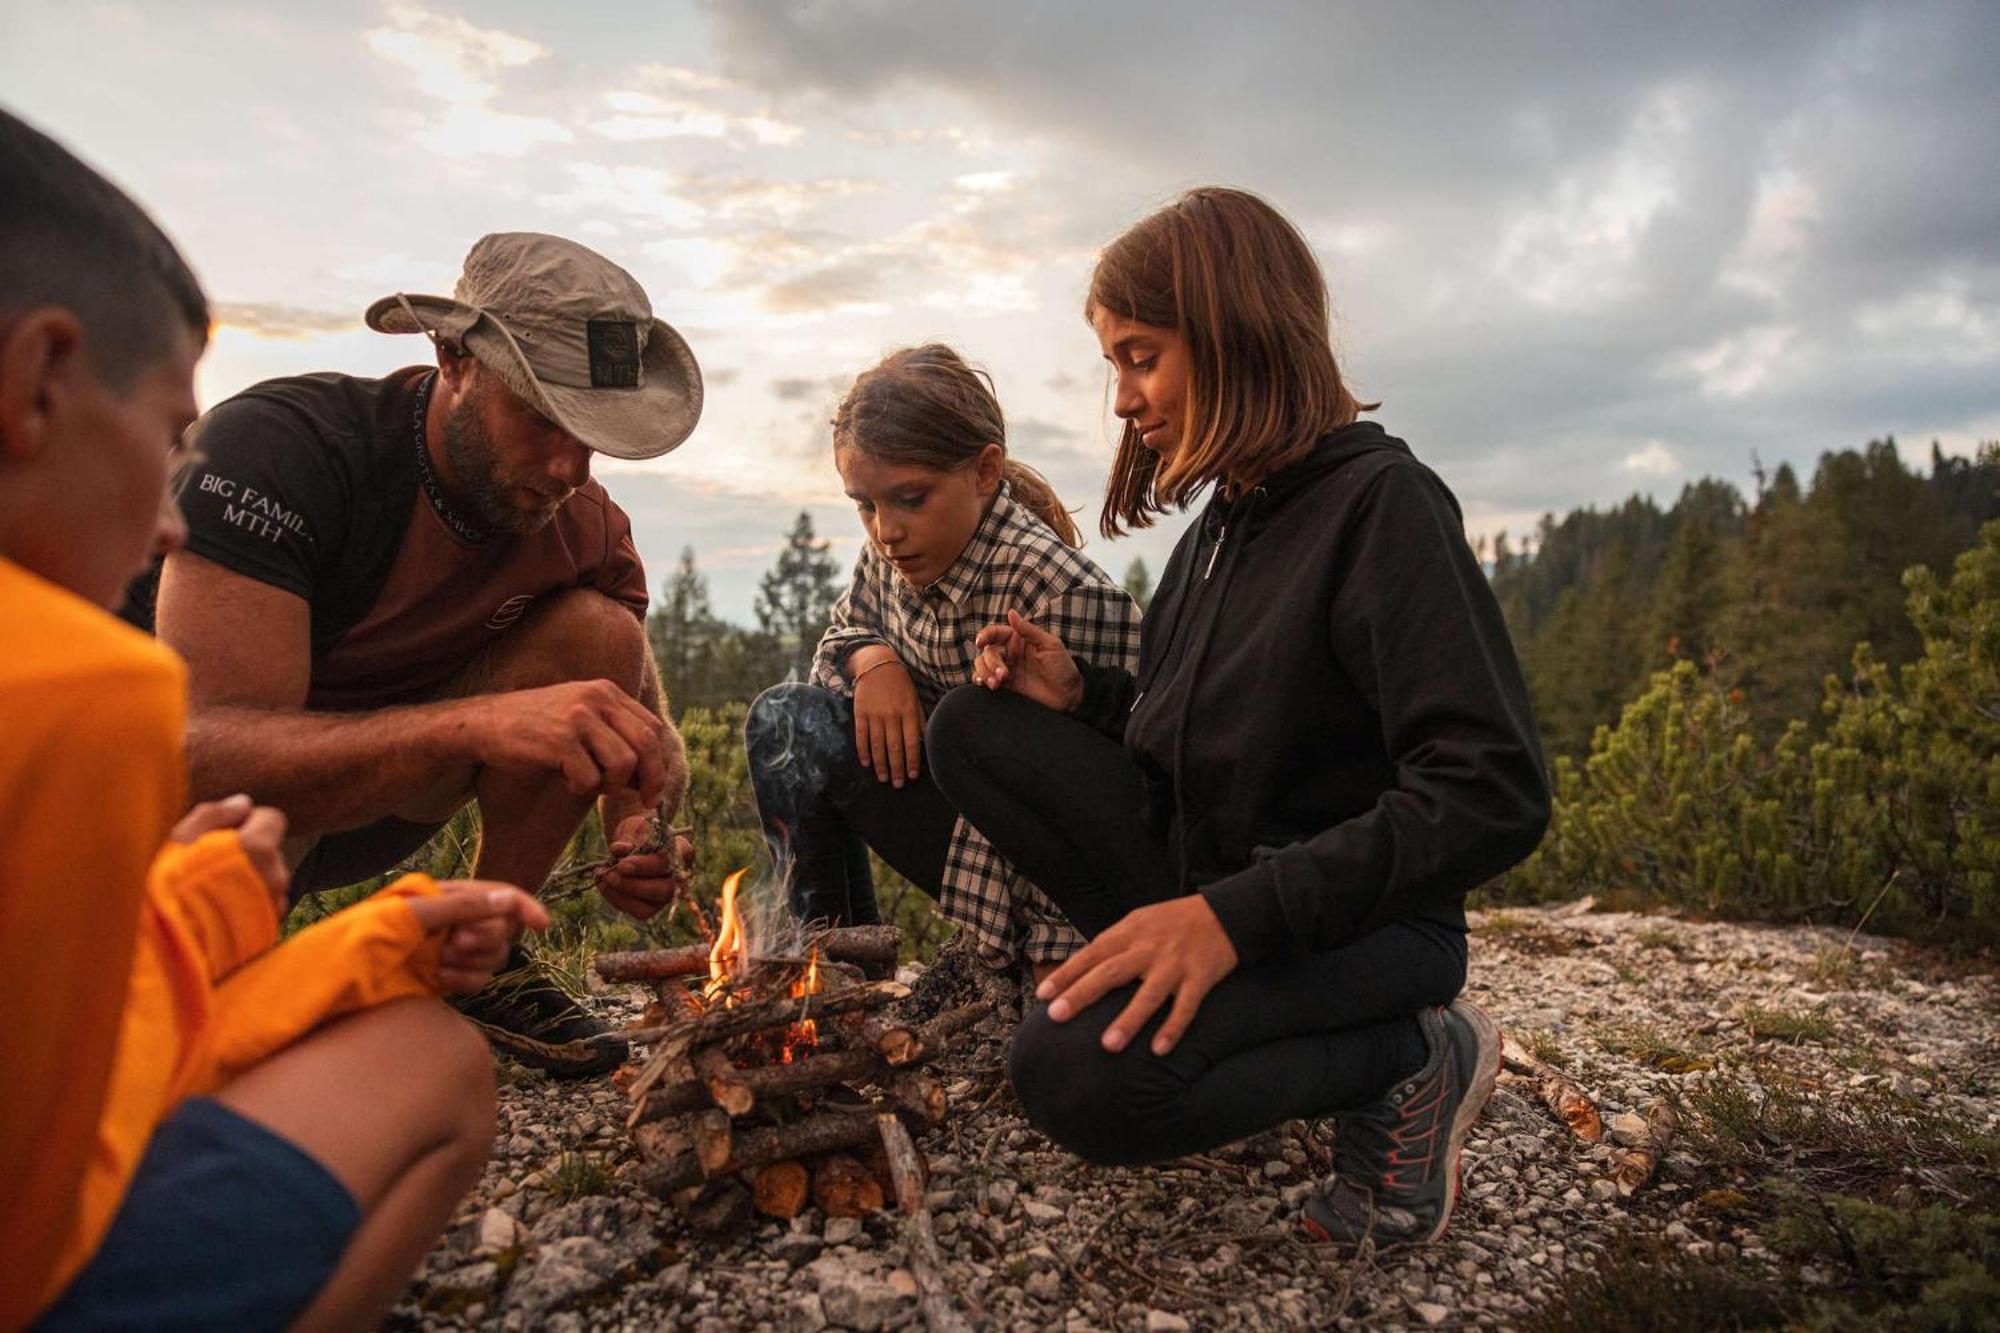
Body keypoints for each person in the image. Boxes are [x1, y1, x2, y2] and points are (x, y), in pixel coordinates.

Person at [0, 105, 550, 1332]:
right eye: (167, 436)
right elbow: (46, 1178)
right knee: (438, 1065)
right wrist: (224, 915)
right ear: (35, 383)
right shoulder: (73, 690)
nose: (171, 521)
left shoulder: (565, 519)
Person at [926, 188, 1552, 1246]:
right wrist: (1082, 695)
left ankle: (1410, 1055)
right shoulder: (1222, 523)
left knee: (1069, 1072)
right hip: (1216, 879)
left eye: (1139, 357)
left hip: (1357, 927)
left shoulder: (1381, 508)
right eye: (1113, 365)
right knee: (965, 727)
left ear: (1229, 334)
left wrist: (1228, 923)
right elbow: (1219, 737)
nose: (1121, 399)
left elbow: (1489, 790)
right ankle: (1229, 1024)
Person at [119, 230, 706, 1072]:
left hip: (375, 800)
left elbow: (644, 726)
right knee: (197, 1023)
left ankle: (483, 955)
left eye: (592, 432)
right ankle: (205, 985)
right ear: (453, 359)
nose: (569, 465)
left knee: (601, 636)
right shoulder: (286, 451)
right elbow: (202, 752)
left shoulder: (582, 526)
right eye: (541, 418)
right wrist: (476, 727)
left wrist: (640, 823)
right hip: (172, 815)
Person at [745, 344, 1140, 978]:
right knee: (784, 721)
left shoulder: (1057, 590)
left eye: (910, 498)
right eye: (865, 504)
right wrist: (872, 661)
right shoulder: (895, 551)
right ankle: (836, 972)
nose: (885, 529)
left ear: (985, 472)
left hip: (1053, 875)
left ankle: (1031, 963)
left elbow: (1092, 808)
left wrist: (1044, 961)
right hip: (953, 825)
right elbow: (839, 640)